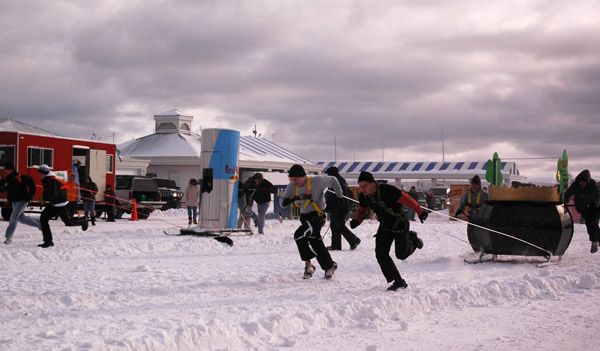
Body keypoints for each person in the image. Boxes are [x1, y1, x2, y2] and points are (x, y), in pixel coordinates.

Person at [349, 171, 428, 291]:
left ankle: (413, 240)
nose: (362, 189)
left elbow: (407, 199)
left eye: (364, 186)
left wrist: (420, 212)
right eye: (360, 187)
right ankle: (398, 281)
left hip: (399, 223)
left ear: (372, 183)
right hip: (385, 226)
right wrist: (357, 220)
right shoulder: (364, 196)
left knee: (401, 255)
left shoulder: (387, 190)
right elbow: (361, 209)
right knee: (381, 253)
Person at [280, 164, 344, 280]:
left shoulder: (316, 181)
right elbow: (283, 201)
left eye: (296, 179)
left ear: (303, 176)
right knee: (314, 240)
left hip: (317, 216)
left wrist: (339, 196)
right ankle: (329, 265)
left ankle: (308, 265)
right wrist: (287, 200)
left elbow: (334, 180)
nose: (294, 182)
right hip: (305, 217)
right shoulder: (292, 186)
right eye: (291, 179)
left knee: (299, 235)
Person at [37, 164, 88, 248]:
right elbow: (47, 192)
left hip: (60, 204)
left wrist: (45, 198)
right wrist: (43, 199)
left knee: (69, 223)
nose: (38, 175)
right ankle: (48, 241)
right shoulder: (47, 180)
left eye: (40, 173)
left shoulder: (52, 180)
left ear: (44, 173)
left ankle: (83, 220)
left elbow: (54, 194)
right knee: (43, 219)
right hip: (53, 203)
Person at [0, 163, 40, 244]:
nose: (5, 171)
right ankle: (41, 224)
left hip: (22, 200)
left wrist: (30, 195)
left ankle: (8, 238)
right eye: (5, 170)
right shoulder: (6, 179)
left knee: (13, 218)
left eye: (7, 170)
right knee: (22, 218)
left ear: (12, 170)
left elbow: (32, 184)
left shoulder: (20, 176)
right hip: (13, 201)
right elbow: (2, 190)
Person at [324, 166, 360, 250]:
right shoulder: (340, 180)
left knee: (338, 225)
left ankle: (353, 240)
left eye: (328, 174)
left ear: (332, 174)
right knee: (336, 225)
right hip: (341, 207)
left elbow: (336, 196)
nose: (328, 175)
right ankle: (337, 245)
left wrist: (330, 206)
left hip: (339, 207)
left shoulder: (335, 181)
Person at [564, 170, 600, 253]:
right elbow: (568, 193)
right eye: (581, 182)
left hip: (593, 206)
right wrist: (565, 200)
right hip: (582, 207)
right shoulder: (575, 185)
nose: (582, 184)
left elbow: (598, 195)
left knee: (590, 222)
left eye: (584, 182)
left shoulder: (592, 184)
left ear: (587, 181)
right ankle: (597, 240)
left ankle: (594, 241)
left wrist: (596, 204)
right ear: (579, 180)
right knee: (592, 223)